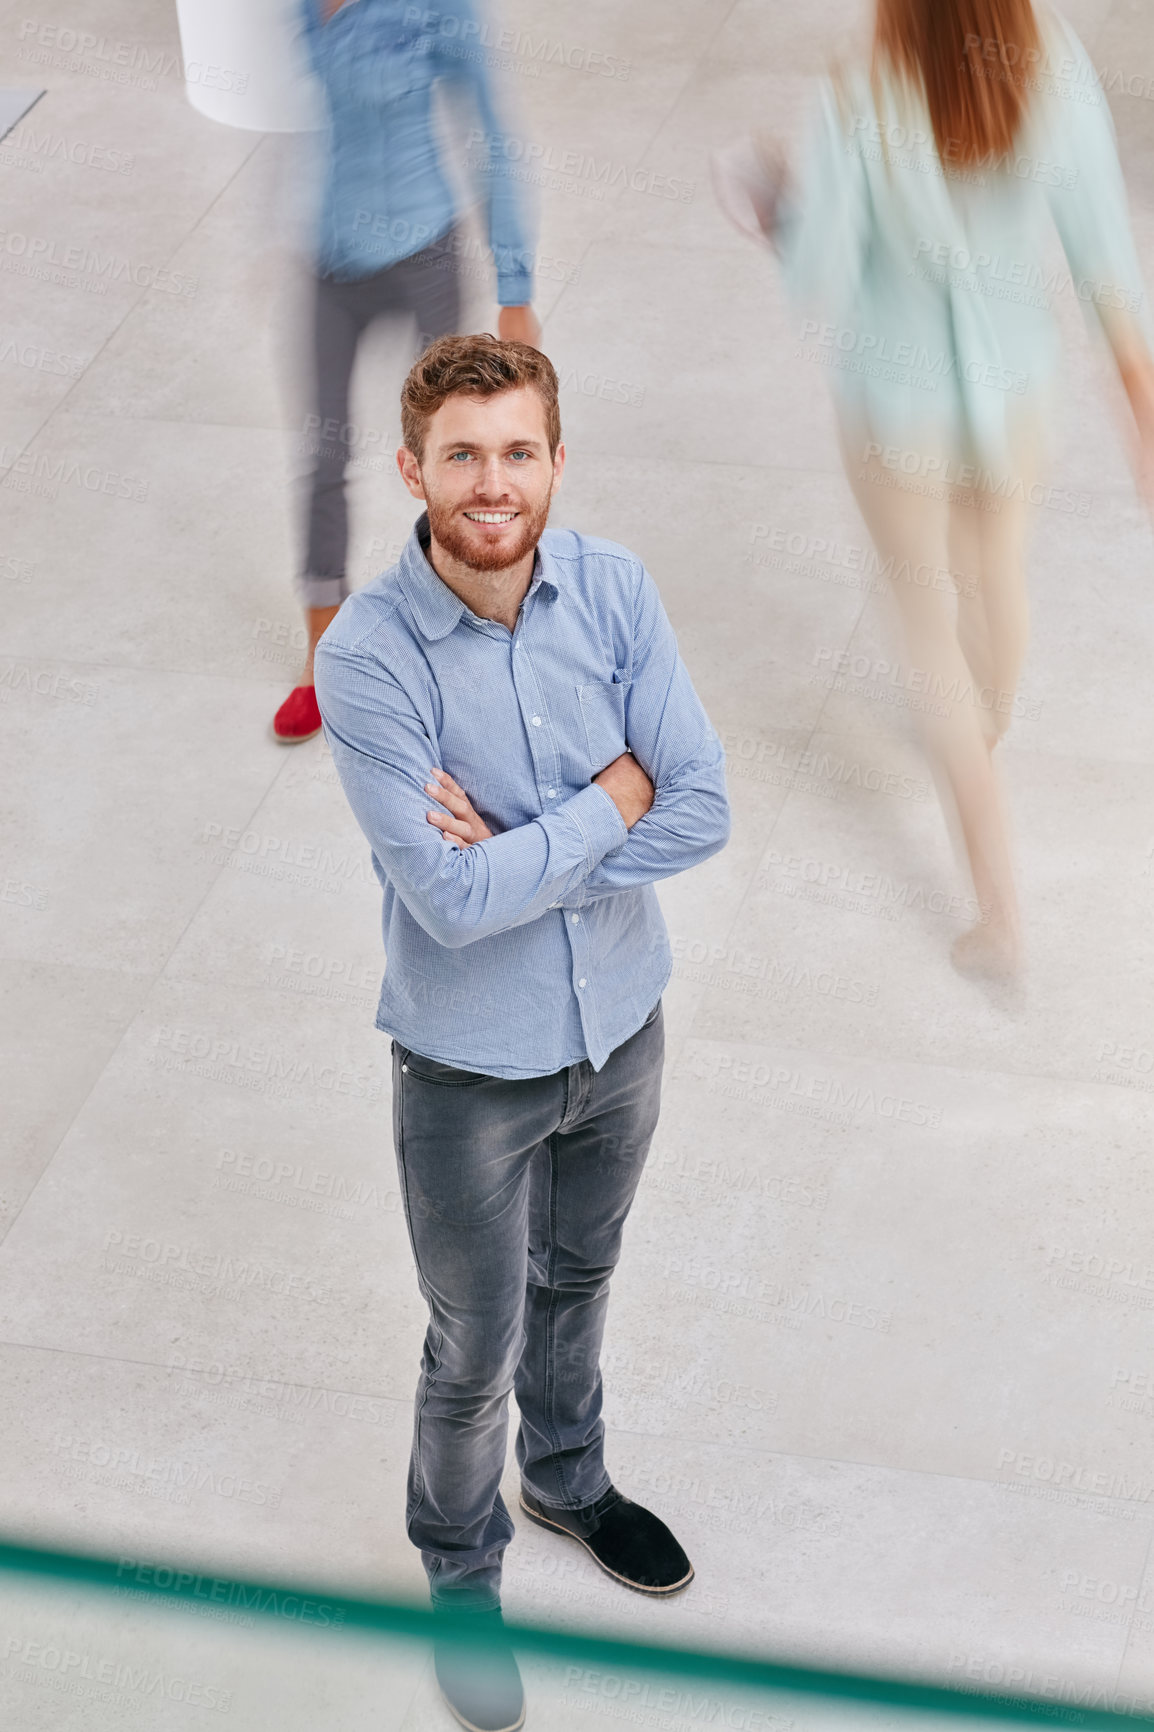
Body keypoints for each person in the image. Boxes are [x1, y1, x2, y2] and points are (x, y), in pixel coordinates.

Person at [314, 334, 731, 1732]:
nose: (492, 484)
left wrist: (531, 848)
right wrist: (611, 800)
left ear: (556, 459)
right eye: (462, 456)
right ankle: (457, 1567)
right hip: (464, 1073)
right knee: (473, 1339)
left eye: (518, 451)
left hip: (620, 1030)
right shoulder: (369, 659)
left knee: (581, 1283)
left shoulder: (612, 593)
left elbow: (704, 806)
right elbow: (443, 900)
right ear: (410, 470)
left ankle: (566, 1482)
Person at [714, 0, 1154, 981]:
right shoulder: (1049, 65)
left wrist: (779, 209)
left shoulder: (857, 90)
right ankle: (987, 720)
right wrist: (1138, 403)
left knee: (923, 629)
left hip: (895, 410)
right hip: (1015, 402)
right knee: (996, 575)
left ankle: (995, 907)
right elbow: (1100, 258)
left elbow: (818, 272)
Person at [273, 0, 540, 744]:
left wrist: (515, 288)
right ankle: (323, 659)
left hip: (422, 254)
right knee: (321, 454)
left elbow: (495, 134)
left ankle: (478, 643)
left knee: (458, 463)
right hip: (330, 262)